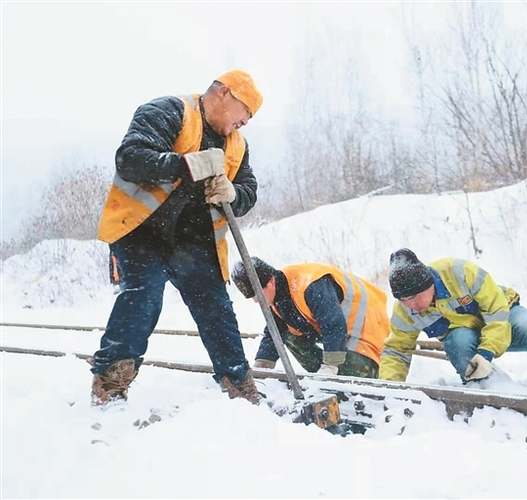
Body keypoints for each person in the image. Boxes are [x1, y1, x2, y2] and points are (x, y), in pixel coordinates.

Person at [91, 70, 265, 406]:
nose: (244, 123)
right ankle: (110, 382)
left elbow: (249, 192)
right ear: (225, 93)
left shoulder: (237, 146)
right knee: (144, 297)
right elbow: (130, 159)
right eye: (245, 113)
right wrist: (186, 165)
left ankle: (239, 384)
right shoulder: (168, 112)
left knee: (216, 307)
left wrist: (233, 192)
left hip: (193, 240)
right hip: (142, 231)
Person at [379, 248, 527, 387]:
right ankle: (487, 391)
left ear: (428, 284)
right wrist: (389, 387)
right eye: (403, 300)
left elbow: (496, 310)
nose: (411, 304)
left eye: (414, 297)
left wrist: (486, 352)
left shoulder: (460, 272)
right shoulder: (405, 310)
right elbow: (396, 349)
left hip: (504, 319)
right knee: (458, 342)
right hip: (468, 338)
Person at [232, 258, 390, 378]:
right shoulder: (277, 295)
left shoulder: (309, 285)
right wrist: (263, 364)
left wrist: (331, 364)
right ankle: (326, 376)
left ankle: (343, 374)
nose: (255, 300)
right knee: (289, 336)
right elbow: (274, 330)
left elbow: (333, 323)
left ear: (271, 281)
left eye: (257, 294)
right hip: (340, 328)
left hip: (366, 324)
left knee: (355, 377)